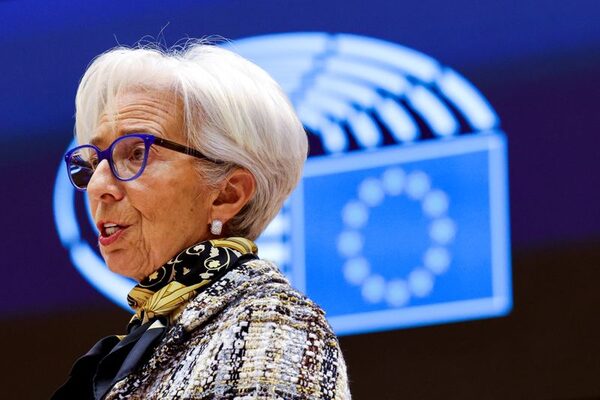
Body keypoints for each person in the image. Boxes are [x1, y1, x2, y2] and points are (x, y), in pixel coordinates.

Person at [52, 41, 351, 400]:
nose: (98, 185)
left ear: (227, 195)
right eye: (94, 161)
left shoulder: (272, 323)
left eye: (136, 153)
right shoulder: (157, 336)